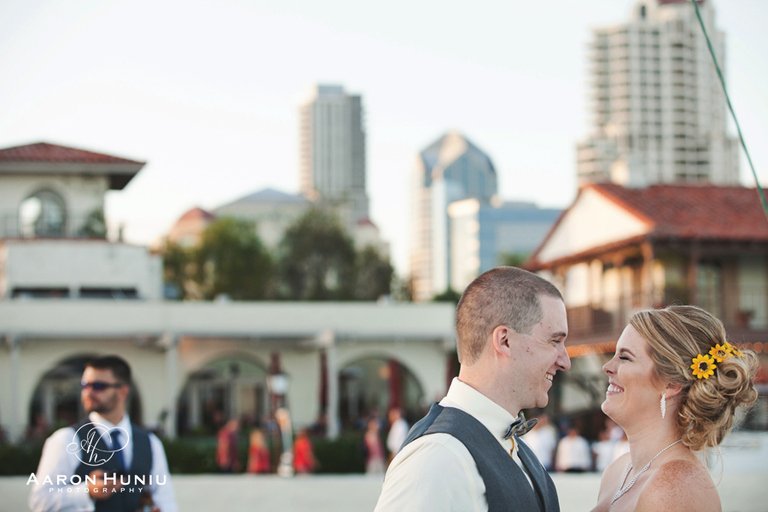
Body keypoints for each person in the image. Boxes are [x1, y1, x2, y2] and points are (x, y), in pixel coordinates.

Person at [375, 266, 570, 512]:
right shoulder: (438, 458)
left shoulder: (513, 448)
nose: (565, 361)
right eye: (555, 341)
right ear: (505, 341)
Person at [592, 305, 759, 512]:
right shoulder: (617, 471)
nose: (607, 367)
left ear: (670, 384)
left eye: (624, 357)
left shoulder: (675, 485)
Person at [29, 355, 177, 512]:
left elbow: (166, 500)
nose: (88, 392)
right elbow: (39, 501)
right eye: (85, 385)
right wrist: (87, 491)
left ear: (123, 392)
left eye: (98, 386)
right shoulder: (66, 439)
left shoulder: (150, 443)